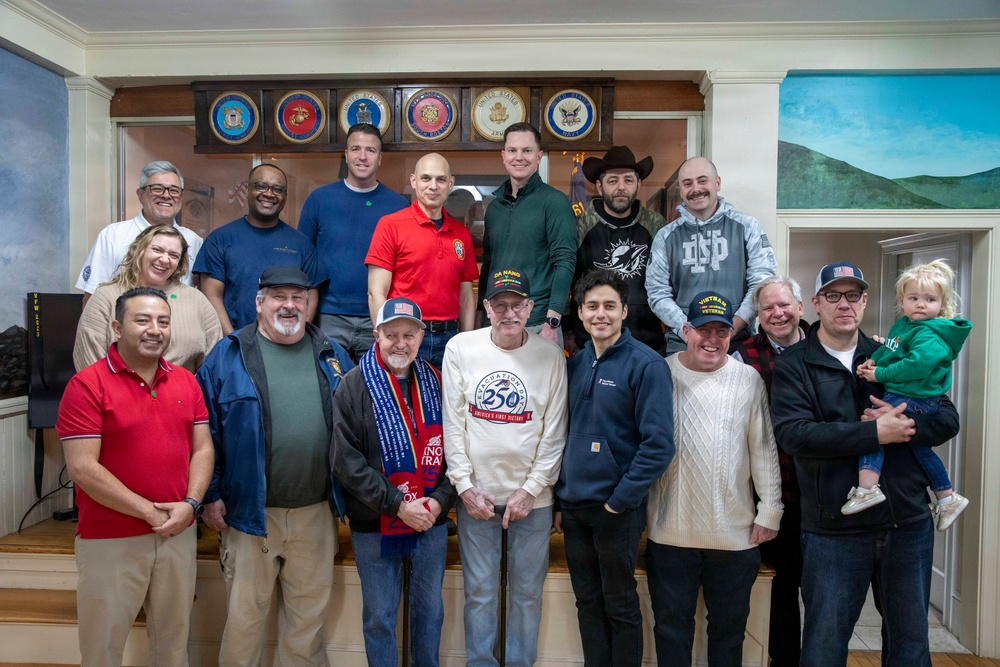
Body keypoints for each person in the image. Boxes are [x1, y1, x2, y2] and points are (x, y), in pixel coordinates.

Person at [771, 261, 961, 667]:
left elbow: (947, 418)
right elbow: (796, 435)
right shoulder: (794, 364)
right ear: (816, 303)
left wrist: (904, 424)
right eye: (834, 296)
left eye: (853, 295)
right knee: (824, 644)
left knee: (911, 642)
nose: (845, 304)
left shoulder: (890, 354)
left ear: (865, 301)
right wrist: (876, 434)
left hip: (906, 523)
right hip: (833, 529)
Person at [196, 266, 354, 666]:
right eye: (279, 296)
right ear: (259, 302)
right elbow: (203, 432)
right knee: (245, 622)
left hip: (316, 513)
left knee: (307, 624)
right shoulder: (228, 354)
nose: (289, 305)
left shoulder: (332, 354)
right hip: (249, 514)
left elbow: (354, 427)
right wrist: (211, 495)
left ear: (308, 304)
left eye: (298, 297)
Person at [56, 287, 213, 667]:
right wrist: (148, 512)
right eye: (142, 320)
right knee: (102, 648)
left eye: (163, 321)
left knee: (173, 646)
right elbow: (82, 468)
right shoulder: (86, 385)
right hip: (111, 538)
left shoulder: (186, 382)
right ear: (116, 326)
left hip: (176, 533)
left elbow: (203, 449)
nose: (154, 329)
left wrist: (190, 505)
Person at [645, 290, 782, 667]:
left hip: (735, 536)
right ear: (685, 330)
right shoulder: (659, 371)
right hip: (669, 531)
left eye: (721, 331)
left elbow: (763, 448)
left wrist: (770, 510)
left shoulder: (748, 380)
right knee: (671, 631)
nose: (712, 339)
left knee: (728, 632)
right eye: (703, 329)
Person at [443, 267, 568, 667]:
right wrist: (463, 486)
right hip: (476, 497)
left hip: (534, 499)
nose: (509, 313)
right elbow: (453, 424)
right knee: (480, 591)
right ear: (486, 307)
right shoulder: (460, 348)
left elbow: (554, 431)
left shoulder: (550, 355)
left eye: (518, 305)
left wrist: (531, 489)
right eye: (500, 305)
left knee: (527, 594)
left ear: (531, 307)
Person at [553, 269, 675, 667]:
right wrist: (559, 497)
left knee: (620, 604)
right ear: (581, 313)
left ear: (624, 310)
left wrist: (618, 503)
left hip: (616, 511)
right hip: (574, 508)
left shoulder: (648, 365)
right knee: (587, 602)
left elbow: (659, 446)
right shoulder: (575, 364)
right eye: (592, 307)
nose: (600, 314)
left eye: (609, 306)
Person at [331, 296, 456, 667]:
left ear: (421, 337)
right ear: (376, 335)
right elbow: (345, 460)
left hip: (430, 520)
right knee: (380, 618)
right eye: (392, 335)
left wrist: (439, 501)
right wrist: (398, 505)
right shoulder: (353, 385)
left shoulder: (437, 381)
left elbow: (457, 450)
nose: (401, 343)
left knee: (430, 612)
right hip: (374, 523)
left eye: (409, 334)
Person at [850, 260, 971, 528]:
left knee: (874, 429)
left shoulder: (930, 335)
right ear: (902, 300)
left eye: (929, 299)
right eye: (914, 298)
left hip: (919, 398)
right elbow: (890, 349)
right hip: (905, 394)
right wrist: (874, 361)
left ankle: (867, 488)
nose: (920, 304)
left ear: (941, 304)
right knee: (919, 450)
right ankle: (946, 496)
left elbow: (915, 365)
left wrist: (879, 375)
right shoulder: (904, 326)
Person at [732, 275, 809, 667]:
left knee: (823, 596)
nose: (777, 313)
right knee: (778, 594)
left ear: (800, 306)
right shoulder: (742, 355)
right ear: (757, 315)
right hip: (769, 497)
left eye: (784, 305)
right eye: (767, 308)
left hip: (821, 496)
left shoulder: (824, 349)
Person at [299, 123, 409, 359]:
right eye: (356, 149)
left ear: (380, 158)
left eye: (370, 150)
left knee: (374, 390)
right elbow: (303, 261)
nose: (362, 156)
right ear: (345, 155)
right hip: (327, 317)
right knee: (329, 389)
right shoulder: (319, 200)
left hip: (377, 318)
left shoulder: (398, 206)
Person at [645, 157, 776, 354]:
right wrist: (688, 331)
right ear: (681, 190)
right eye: (688, 183)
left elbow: (762, 284)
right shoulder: (665, 236)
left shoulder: (748, 227)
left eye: (702, 180)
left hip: (738, 342)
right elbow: (657, 292)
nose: (696, 188)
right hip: (683, 344)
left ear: (718, 183)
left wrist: (732, 328)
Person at [365, 153, 478, 368]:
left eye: (441, 179)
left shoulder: (461, 234)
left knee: (449, 402)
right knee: (405, 401)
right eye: (426, 178)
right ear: (413, 181)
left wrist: (467, 341)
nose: (433, 186)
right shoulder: (390, 225)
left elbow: (465, 296)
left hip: (450, 339)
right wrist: (386, 339)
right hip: (406, 337)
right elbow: (376, 292)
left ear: (451, 183)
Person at [193, 164, 324, 334]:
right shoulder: (220, 239)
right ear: (247, 190)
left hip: (287, 344)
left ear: (285, 197)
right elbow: (212, 296)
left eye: (277, 189)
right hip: (235, 339)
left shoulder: (301, 244)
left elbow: (311, 294)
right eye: (261, 186)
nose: (269, 194)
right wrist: (233, 342)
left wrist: (297, 337)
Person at [73, 224, 222, 374]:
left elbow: (214, 363)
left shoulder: (197, 301)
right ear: (139, 250)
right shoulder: (105, 297)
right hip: (114, 395)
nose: (164, 259)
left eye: (173, 255)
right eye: (157, 250)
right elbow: (89, 363)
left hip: (183, 394)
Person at [479, 122, 577, 345]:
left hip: (538, 322)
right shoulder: (494, 208)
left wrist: (553, 321)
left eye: (527, 150)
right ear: (504, 156)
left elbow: (565, 262)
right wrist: (479, 316)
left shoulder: (555, 202)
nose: (519, 157)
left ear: (539, 156)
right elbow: (488, 264)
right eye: (512, 151)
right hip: (496, 321)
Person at [573, 146, 668, 353]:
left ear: (638, 184)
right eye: (613, 181)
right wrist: (564, 329)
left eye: (628, 180)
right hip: (591, 343)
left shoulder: (656, 225)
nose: (621, 187)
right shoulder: (580, 226)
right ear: (599, 187)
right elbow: (565, 275)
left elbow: (670, 280)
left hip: (647, 342)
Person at [76, 161, 203, 305]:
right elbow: (92, 298)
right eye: (157, 188)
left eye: (174, 190)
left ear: (181, 196)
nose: (166, 195)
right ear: (140, 194)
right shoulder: (112, 235)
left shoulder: (194, 241)